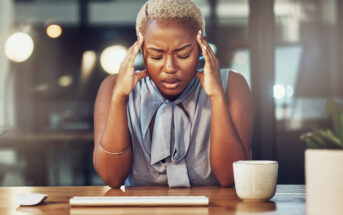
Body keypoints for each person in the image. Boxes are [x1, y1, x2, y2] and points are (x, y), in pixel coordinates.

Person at [93, 0, 253, 188]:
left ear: (202, 47)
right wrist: (119, 98)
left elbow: (229, 177)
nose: (170, 68)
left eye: (184, 54)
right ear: (141, 50)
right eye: (156, 56)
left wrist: (216, 96)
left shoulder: (232, 85)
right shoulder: (113, 87)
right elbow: (112, 178)